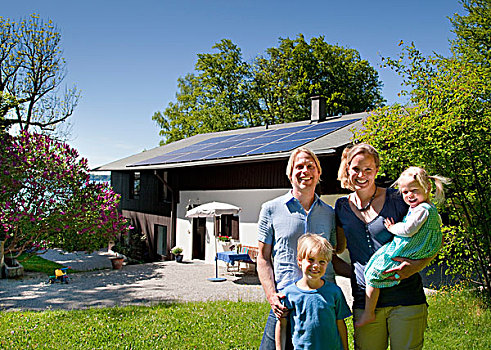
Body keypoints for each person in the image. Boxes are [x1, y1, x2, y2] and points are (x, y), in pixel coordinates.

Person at [334, 143, 434, 350]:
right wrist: (354, 273)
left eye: (368, 169)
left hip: (405, 297)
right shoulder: (341, 207)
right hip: (365, 301)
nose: (361, 174)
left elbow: (429, 237)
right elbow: (337, 248)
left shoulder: (398, 199)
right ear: (347, 169)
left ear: (377, 170)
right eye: (356, 169)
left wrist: (414, 266)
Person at [257, 147, 337, 350]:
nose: (305, 171)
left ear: (318, 173)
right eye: (299, 166)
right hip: (284, 302)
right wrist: (272, 295)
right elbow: (263, 257)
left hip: (321, 300)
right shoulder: (271, 209)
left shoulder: (329, 213)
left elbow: (332, 256)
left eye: (311, 166)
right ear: (290, 174)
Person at [356, 166, 448, 327]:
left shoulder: (422, 210)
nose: (409, 195)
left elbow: (407, 230)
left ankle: (368, 313)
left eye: (414, 190)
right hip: (418, 246)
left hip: (409, 247)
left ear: (427, 188)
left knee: (372, 273)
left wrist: (392, 228)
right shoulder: (428, 208)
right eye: (405, 192)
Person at [275, 234, 351, 350]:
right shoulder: (289, 294)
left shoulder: (334, 292)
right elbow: (281, 325)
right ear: (300, 261)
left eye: (322, 262)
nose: (316, 266)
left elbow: (340, 323)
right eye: (311, 260)